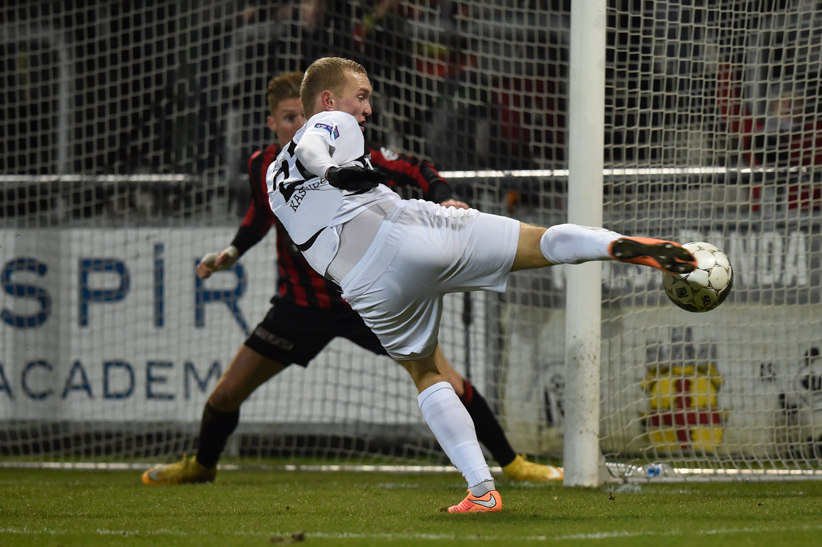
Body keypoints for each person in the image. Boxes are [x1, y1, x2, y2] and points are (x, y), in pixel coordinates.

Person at [266, 57, 697, 513]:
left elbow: (306, 171)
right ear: (329, 99)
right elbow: (314, 145)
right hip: (408, 233)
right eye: (362, 96)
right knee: (542, 242)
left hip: (367, 287)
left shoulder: (273, 178)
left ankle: (481, 490)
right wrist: (332, 172)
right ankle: (625, 247)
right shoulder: (331, 120)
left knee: (426, 373)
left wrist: (330, 174)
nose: (367, 109)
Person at [141, 71, 562, 490]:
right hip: (300, 307)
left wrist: (442, 195)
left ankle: (513, 463)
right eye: (285, 119)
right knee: (225, 394)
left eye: (298, 117)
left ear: (314, 113)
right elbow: (258, 217)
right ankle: (202, 465)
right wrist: (230, 253)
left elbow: (415, 166)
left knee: (446, 378)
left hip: (364, 296)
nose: (294, 126)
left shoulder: (350, 155)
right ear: (272, 124)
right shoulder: (265, 168)